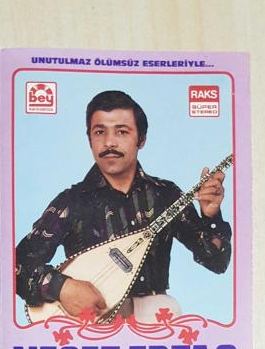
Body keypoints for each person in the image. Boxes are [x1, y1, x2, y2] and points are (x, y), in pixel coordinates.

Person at [16, 90, 231, 322]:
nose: (109, 142)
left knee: (166, 306)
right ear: (89, 140)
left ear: (141, 139)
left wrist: (211, 215)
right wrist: (62, 288)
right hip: (91, 323)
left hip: (153, 318)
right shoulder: (72, 202)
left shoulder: (165, 195)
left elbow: (218, 263)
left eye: (122, 131)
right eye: (100, 132)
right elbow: (17, 265)